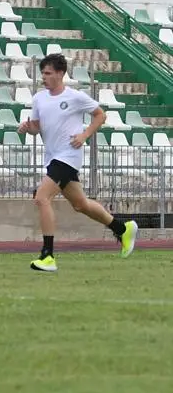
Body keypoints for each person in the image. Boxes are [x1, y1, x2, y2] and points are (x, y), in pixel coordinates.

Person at [18, 54, 137, 272]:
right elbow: (36, 127)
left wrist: (84, 135)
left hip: (68, 156)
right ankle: (122, 229)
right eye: (42, 73)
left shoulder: (75, 97)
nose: (44, 77)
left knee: (42, 198)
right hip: (53, 157)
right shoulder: (39, 99)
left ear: (60, 74)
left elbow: (100, 115)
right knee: (80, 204)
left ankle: (47, 256)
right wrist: (28, 129)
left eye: (48, 73)